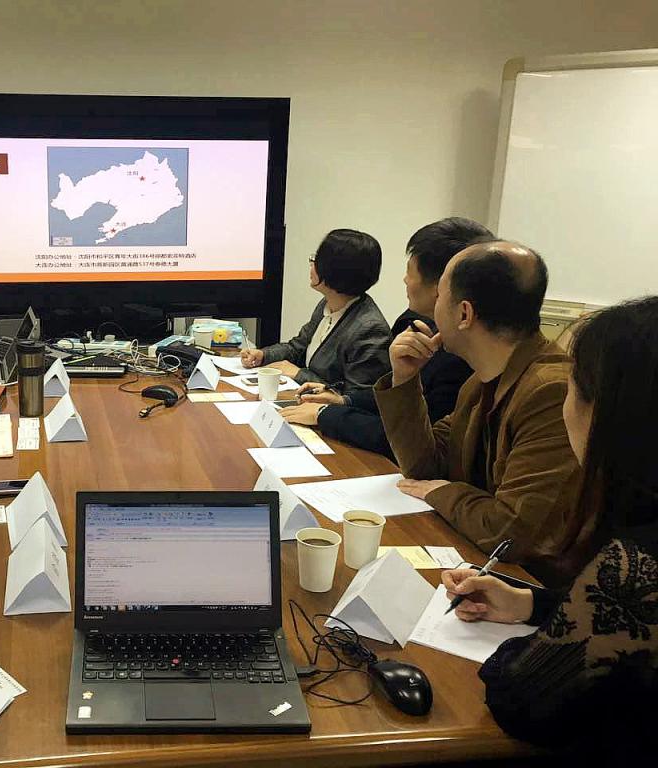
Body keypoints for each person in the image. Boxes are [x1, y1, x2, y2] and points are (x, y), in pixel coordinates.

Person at [440, 296, 658, 754]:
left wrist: (529, 644)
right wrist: (530, 604)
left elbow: (523, 699)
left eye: (574, 383)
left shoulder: (638, 562)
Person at [373, 241, 580, 574]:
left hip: (526, 583)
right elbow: (424, 468)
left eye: (440, 295)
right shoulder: (481, 381)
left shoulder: (551, 391)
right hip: (476, 560)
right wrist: (405, 379)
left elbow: (510, 532)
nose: (433, 306)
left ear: (464, 314)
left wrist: (445, 493)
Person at [280, 217, 485, 457]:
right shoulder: (412, 323)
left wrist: (326, 414)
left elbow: (411, 437)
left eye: (410, 272)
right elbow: (390, 401)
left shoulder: (461, 358)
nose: (405, 280)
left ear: (441, 289)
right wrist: (343, 401)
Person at [240, 229, 390, 398]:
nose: (312, 264)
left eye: (317, 260)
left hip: (325, 411)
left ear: (334, 271)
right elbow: (298, 347)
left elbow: (355, 399)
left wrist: (299, 374)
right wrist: (263, 355)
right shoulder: (328, 303)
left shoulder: (370, 330)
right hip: (305, 400)